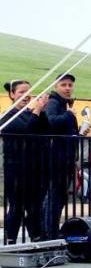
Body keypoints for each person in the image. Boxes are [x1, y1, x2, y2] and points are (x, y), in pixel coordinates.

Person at [1, 80, 48, 243]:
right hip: (15, 169)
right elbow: (27, 130)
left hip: (33, 167)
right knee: (17, 207)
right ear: (12, 95)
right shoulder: (7, 117)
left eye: (29, 91)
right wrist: (37, 111)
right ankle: (11, 239)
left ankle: (36, 237)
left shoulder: (31, 113)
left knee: (34, 206)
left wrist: (41, 112)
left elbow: (44, 130)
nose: (27, 95)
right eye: (21, 92)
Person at [40, 73, 79, 240]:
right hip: (56, 156)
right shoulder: (53, 103)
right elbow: (52, 122)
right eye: (64, 85)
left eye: (70, 85)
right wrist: (70, 115)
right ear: (56, 86)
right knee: (55, 195)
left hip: (67, 156)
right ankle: (49, 231)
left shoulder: (64, 104)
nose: (68, 88)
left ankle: (51, 229)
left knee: (60, 195)